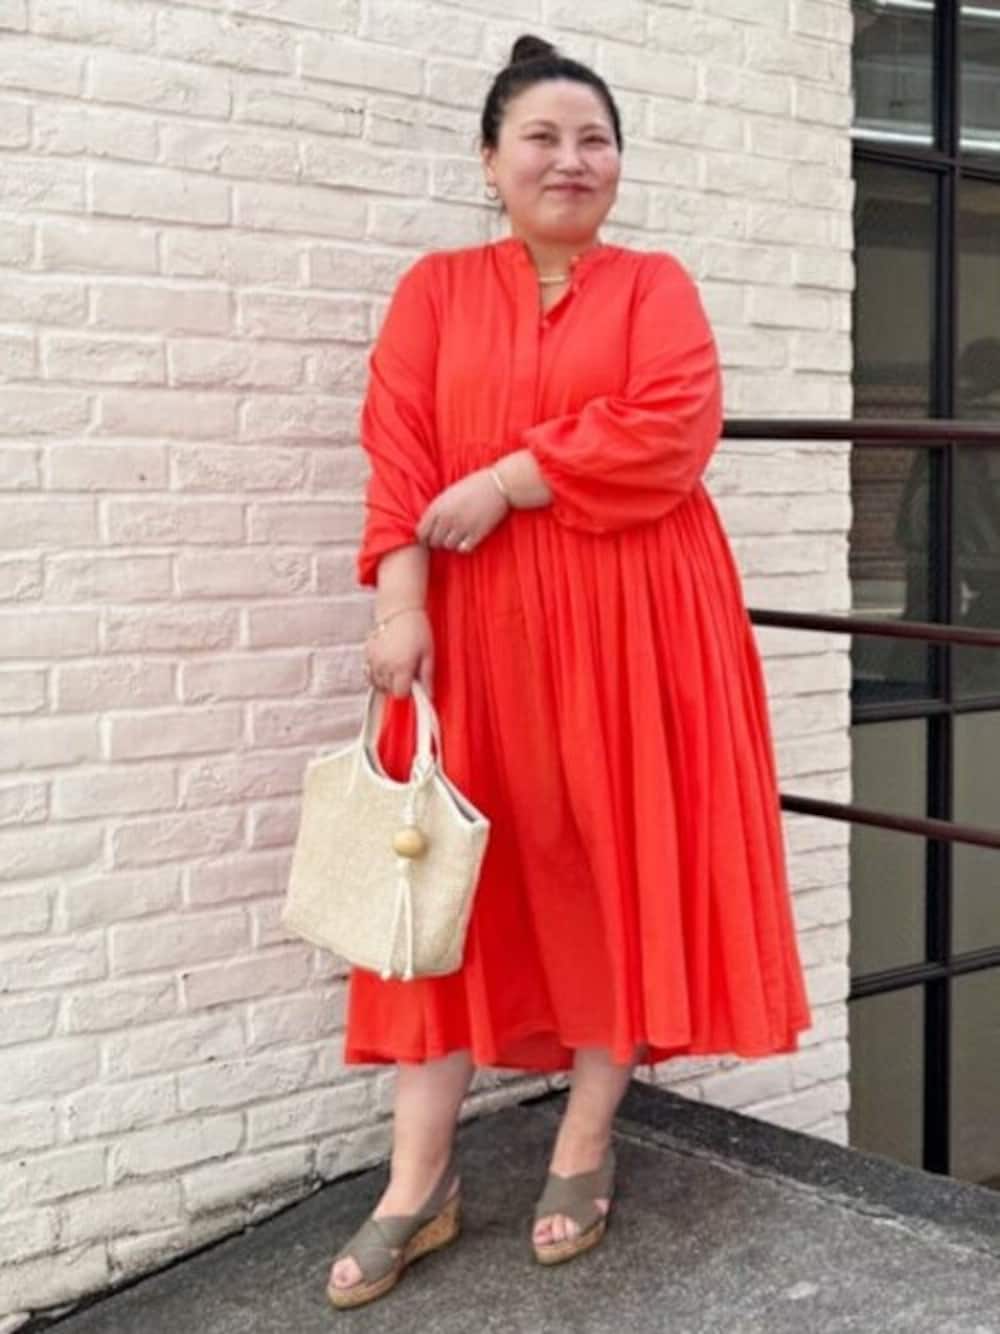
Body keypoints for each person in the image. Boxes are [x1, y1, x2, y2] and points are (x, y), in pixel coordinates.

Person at [326, 33, 813, 1309]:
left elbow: (673, 426)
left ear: (619, 164)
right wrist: (400, 606)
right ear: (489, 161)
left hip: (637, 625)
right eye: (540, 137)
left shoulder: (655, 286)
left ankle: (584, 1137)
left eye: (594, 139)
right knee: (439, 888)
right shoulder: (435, 291)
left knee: (610, 861)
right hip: (473, 632)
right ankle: (415, 1179)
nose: (570, 159)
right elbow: (397, 450)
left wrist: (509, 476)